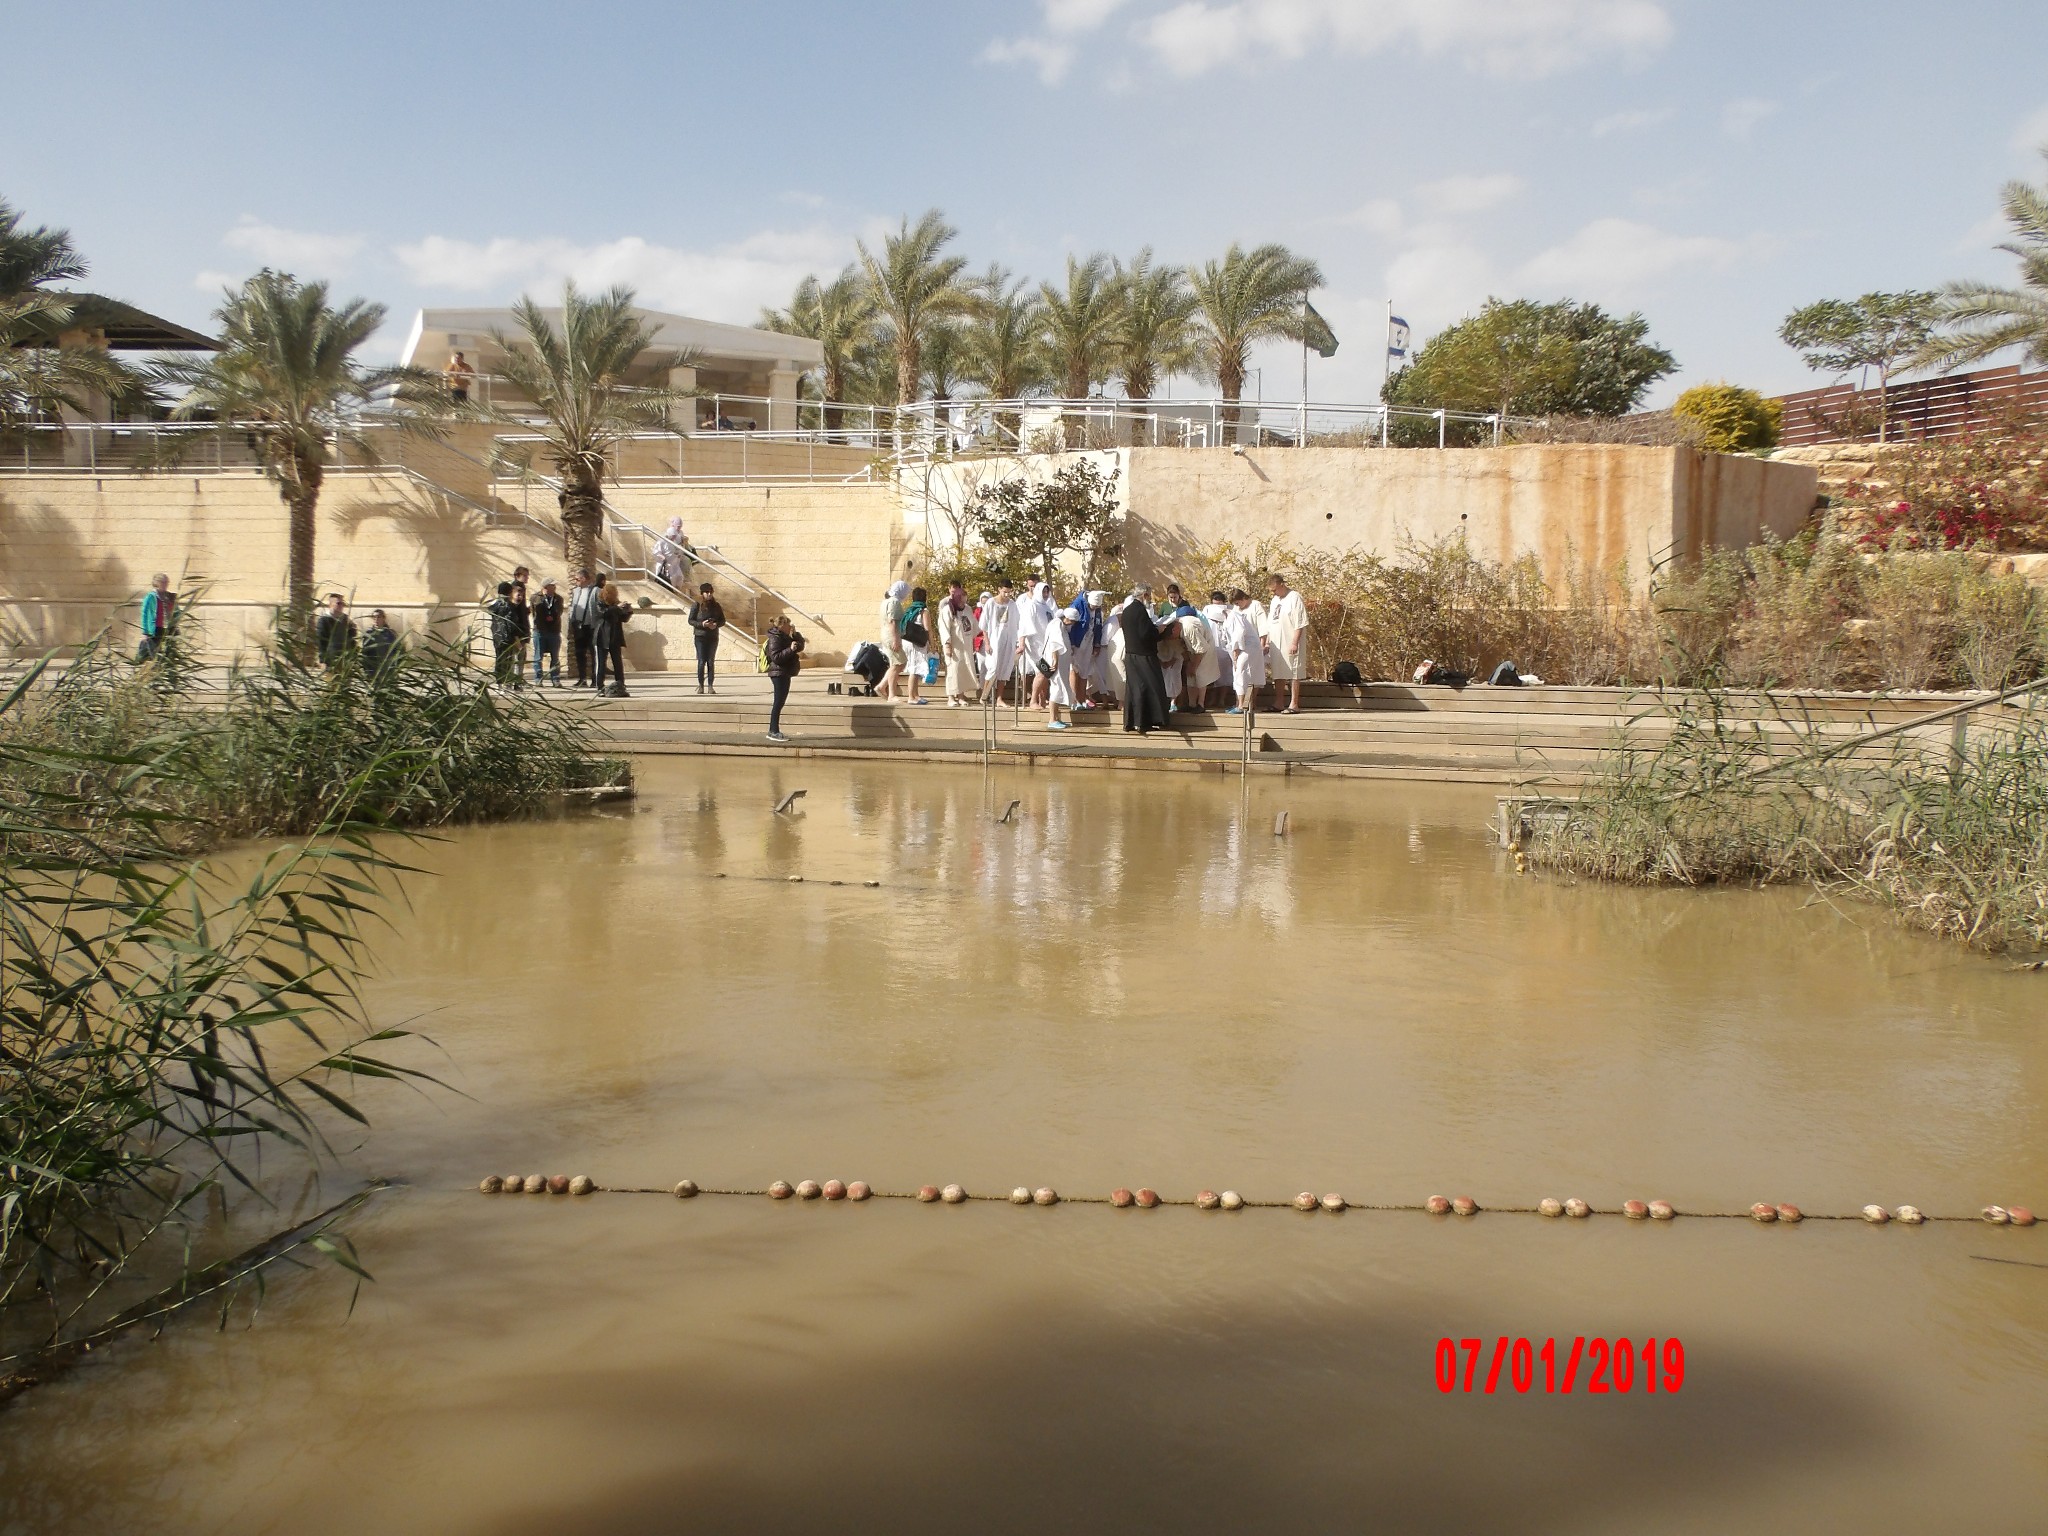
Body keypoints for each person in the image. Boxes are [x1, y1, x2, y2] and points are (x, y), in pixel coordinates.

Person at [1118, 585, 1173, 734]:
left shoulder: (1127, 611)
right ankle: (1146, 721)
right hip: (1144, 656)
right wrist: (1158, 630)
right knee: (1151, 687)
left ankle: (1132, 722)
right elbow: (1146, 634)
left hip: (1131, 655)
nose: (1149, 599)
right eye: (1148, 595)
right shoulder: (1140, 611)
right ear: (1144, 595)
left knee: (1134, 689)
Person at [1266, 573, 1309, 714]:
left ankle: (1294, 704)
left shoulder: (1294, 597)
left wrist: (1294, 642)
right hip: (1277, 643)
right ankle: (1279, 702)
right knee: (1278, 672)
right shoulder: (1275, 600)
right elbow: (1271, 622)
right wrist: (1267, 641)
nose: (1273, 593)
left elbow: (1300, 622)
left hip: (1290, 640)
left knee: (1294, 670)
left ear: (1282, 585)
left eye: (1274, 590)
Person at [1222, 588, 1266, 713]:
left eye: (1238, 602)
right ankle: (1240, 703)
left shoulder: (1236, 614)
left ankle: (1243, 705)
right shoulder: (1234, 612)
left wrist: (1236, 651)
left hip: (1249, 646)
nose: (1237, 605)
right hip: (1244, 646)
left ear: (1243, 598)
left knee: (1241, 672)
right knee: (1241, 673)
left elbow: (1239, 633)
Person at [763, 614, 806, 742]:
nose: (790, 626)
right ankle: (773, 731)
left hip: (784, 672)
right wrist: (790, 650)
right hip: (778, 673)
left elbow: (801, 646)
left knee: (780, 702)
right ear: (782, 626)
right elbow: (776, 657)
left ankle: (773, 730)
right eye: (788, 625)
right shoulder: (775, 638)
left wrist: (795, 634)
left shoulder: (785, 636)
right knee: (778, 702)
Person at [935, 582, 978, 707]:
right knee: (953, 670)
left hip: (966, 645)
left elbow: (973, 626)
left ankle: (961, 696)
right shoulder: (947, 609)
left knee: (963, 669)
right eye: (961, 602)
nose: (962, 604)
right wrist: (947, 645)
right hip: (954, 645)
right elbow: (944, 628)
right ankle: (951, 697)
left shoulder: (968, 609)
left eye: (964, 601)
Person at [978, 580, 1020, 704]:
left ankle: (999, 698)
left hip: (1008, 639)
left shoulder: (1012, 604)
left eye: (1009, 592)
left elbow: (1017, 623)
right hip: (994, 640)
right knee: (992, 668)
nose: (1007, 595)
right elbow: (984, 625)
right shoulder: (991, 603)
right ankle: (984, 695)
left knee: (1005, 668)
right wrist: (987, 643)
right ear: (999, 589)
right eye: (1004, 592)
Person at [1016, 579, 1051, 709]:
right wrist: (1022, 643)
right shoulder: (1031, 605)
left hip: (1046, 644)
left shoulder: (1047, 607)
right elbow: (1023, 625)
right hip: (1035, 644)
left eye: (1047, 591)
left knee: (1047, 673)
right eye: (1043, 591)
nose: (1045, 594)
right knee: (1042, 671)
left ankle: (1042, 700)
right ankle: (1033, 701)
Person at [592, 581, 631, 696]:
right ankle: (599, 686)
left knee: (618, 663)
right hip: (602, 637)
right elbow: (604, 613)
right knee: (601, 663)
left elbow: (623, 618)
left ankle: (620, 685)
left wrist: (628, 611)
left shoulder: (616, 605)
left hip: (615, 637)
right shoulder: (600, 603)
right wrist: (617, 608)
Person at [687, 582, 726, 694]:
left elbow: (723, 620)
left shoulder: (716, 605)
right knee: (701, 661)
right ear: (702, 593)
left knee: (710, 661)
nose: (709, 594)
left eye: (710, 592)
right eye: (706, 592)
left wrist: (716, 624)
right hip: (700, 636)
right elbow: (691, 620)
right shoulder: (697, 605)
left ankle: (710, 685)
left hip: (712, 636)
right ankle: (700, 685)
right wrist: (702, 624)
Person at [877, 580, 909, 701]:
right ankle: (891, 694)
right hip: (892, 635)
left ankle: (882, 686)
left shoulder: (885, 602)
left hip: (886, 634)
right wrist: (896, 639)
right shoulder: (895, 602)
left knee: (896, 663)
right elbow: (893, 621)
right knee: (898, 663)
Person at [569, 569, 601, 687]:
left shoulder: (595, 590)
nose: (576, 582)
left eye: (577, 579)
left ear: (584, 579)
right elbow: (573, 606)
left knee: (593, 653)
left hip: (591, 627)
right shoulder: (576, 591)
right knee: (579, 653)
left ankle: (595, 678)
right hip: (578, 626)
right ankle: (582, 679)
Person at [486, 582, 522, 686]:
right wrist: (517, 640)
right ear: (510, 592)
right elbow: (512, 624)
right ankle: (506, 682)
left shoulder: (496, 604)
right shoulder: (509, 605)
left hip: (497, 637)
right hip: (507, 638)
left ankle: (499, 682)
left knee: (499, 659)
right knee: (508, 660)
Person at [530, 578, 564, 686]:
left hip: (554, 630)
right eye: (552, 585)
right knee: (538, 656)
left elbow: (560, 612)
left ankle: (555, 678)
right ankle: (538, 678)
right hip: (540, 630)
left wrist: (553, 617)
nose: (554, 588)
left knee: (555, 656)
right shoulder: (535, 597)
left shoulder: (558, 598)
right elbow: (533, 613)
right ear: (546, 586)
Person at [137, 572, 176, 661]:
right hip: (154, 629)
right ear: (157, 583)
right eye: (164, 582)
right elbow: (145, 614)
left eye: (167, 582)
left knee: (167, 654)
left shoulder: (169, 596)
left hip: (166, 628)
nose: (166, 584)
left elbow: (174, 611)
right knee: (155, 654)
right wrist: (145, 632)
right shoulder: (151, 597)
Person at [901, 585, 930, 704]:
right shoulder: (923, 610)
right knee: (914, 668)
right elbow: (927, 628)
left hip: (907, 641)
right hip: (917, 642)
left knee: (914, 667)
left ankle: (916, 695)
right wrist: (932, 643)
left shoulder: (910, 609)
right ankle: (911, 697)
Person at [316, 593, 356, 668]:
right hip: (331, 660)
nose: (341, 606)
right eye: (338, 603)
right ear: (330, 604)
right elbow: (321, 642)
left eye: (343, 603)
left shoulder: (346, 619)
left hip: (345, 659)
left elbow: (352, 638)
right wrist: (322, 660)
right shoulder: (324, 620)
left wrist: (353, 656)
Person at [360, 609, 399, 677]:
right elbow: (365, 651)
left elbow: (396, 650)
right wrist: (366, 668)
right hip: (373, 668)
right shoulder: (369, 633)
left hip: (387, 667)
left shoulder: (390, 633)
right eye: (374, 617)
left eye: (378, 617)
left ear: (383, 618)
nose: (376, 619)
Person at [653, 517, 689, 591]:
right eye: (672, 536)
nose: (673, 537)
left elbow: (678, 550)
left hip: (674, 564)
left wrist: (679, 554)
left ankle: (676, 591)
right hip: (665, 565)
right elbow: (656, 551)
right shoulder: (662, 541)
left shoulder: (675, 542)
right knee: (667, 581)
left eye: (674, 536)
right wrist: (662, 557)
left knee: (679, 577)